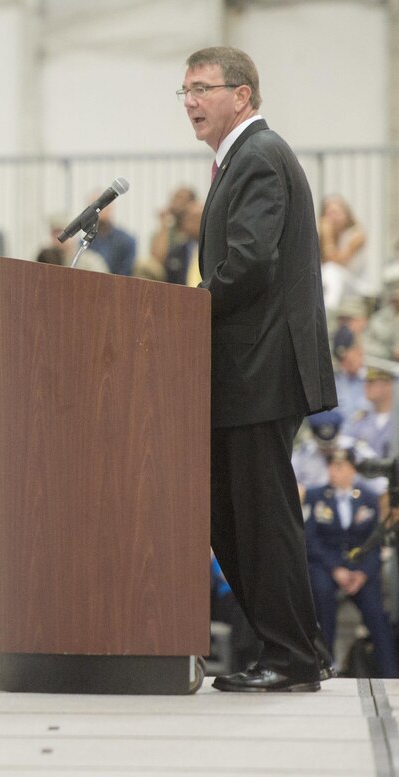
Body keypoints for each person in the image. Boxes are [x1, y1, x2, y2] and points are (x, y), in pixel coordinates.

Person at [182, 46, 336, 692]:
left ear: (241, 95)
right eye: (183, 90)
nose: (190, 101)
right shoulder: (240, 160)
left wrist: (184, 311)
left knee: (262, 515)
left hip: (262, 369)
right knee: (231, 513)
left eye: (202, 88)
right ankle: (288, 646)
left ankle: (293, 656)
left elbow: (249, 263)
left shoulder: (260, 158)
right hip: (242, 371)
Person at [303, 449, 398, 678]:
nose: (333, 472)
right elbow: (311, 539)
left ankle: (390, 671)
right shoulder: (317, 496)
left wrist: (363, 573)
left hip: (359, 568)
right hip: (329, 566)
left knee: (376, 613)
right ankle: (326, 663)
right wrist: (336, 568)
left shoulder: (366, 497)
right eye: (331, 467)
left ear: (351, 470)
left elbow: (374, 540)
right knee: (322, 598)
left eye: (339, 467)